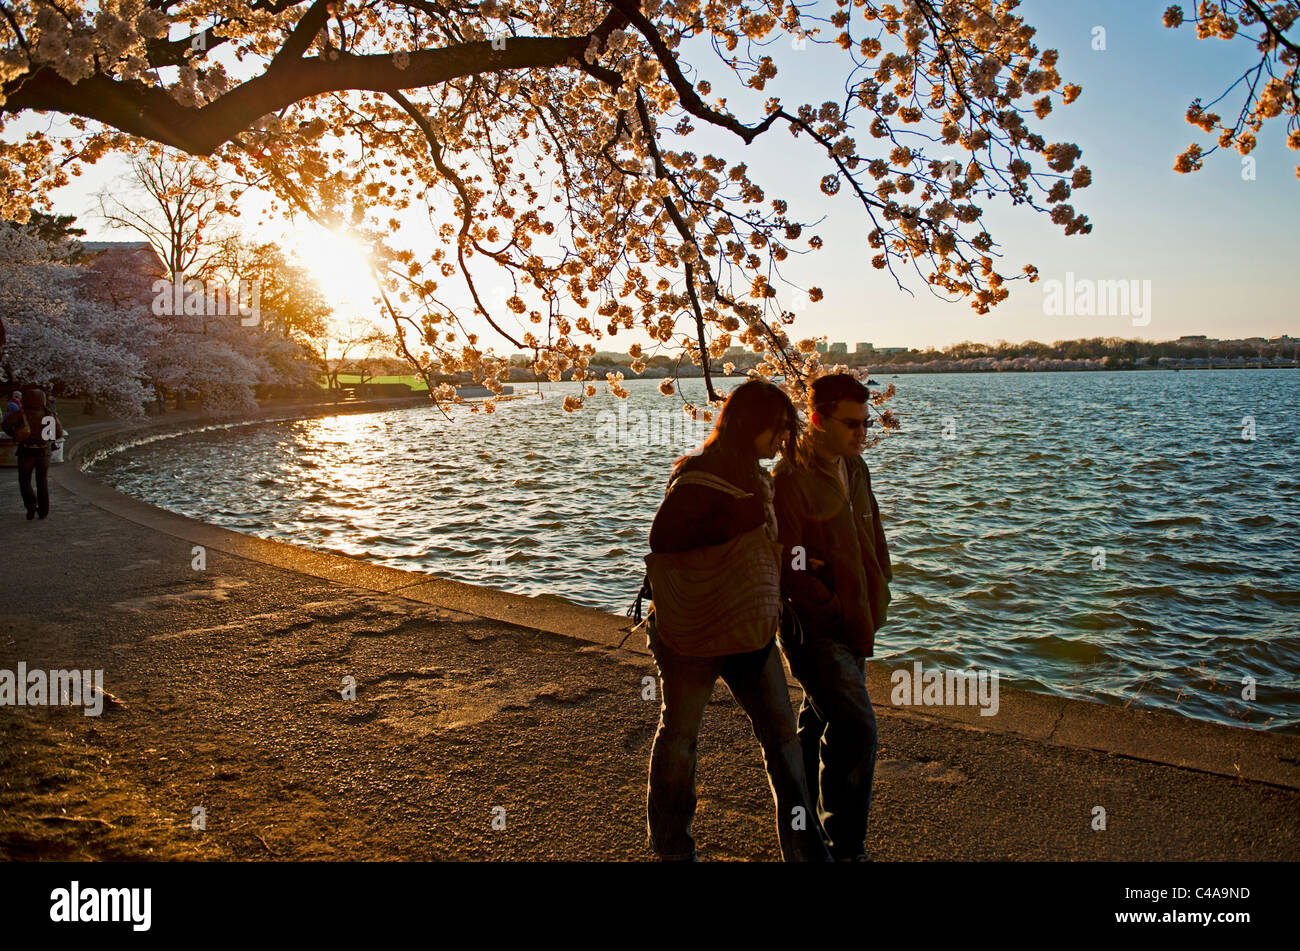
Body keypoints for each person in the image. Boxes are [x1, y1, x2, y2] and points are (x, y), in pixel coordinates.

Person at [644, 379, 830, 862]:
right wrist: (741, 514)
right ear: (752, 426)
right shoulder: (699, 476)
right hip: (693, 632)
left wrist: (798, 564)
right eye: (777, 430)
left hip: (747, 629)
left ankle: (806, 850)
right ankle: (673, 849)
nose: (781, 442)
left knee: (782, 741)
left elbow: (754, 544)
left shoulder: (753, 474)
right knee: (681, 736)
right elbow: (662, 539)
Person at [772, 372, 892, 861]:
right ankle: (848, 847)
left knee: (820, 719)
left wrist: (877, 584)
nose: (862, 434)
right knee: (859, 727)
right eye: (852, 425)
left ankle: (803, 829)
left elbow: (873, 530)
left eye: (865, 424)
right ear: (818, 419)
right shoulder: (789, 477)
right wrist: (824, 598)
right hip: (814, 625)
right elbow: (788, 555)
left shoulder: (855, 467)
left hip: (856, 616)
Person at [2, 388, 65, 520]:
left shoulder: (22, 413)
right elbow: (58, 434)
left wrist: (16, 435)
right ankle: (43, 511)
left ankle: (31, 506)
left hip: (26, 450)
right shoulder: (49, 414)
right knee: (42, 481)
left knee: (24, 480)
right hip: (44, 451)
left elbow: (5, 425)